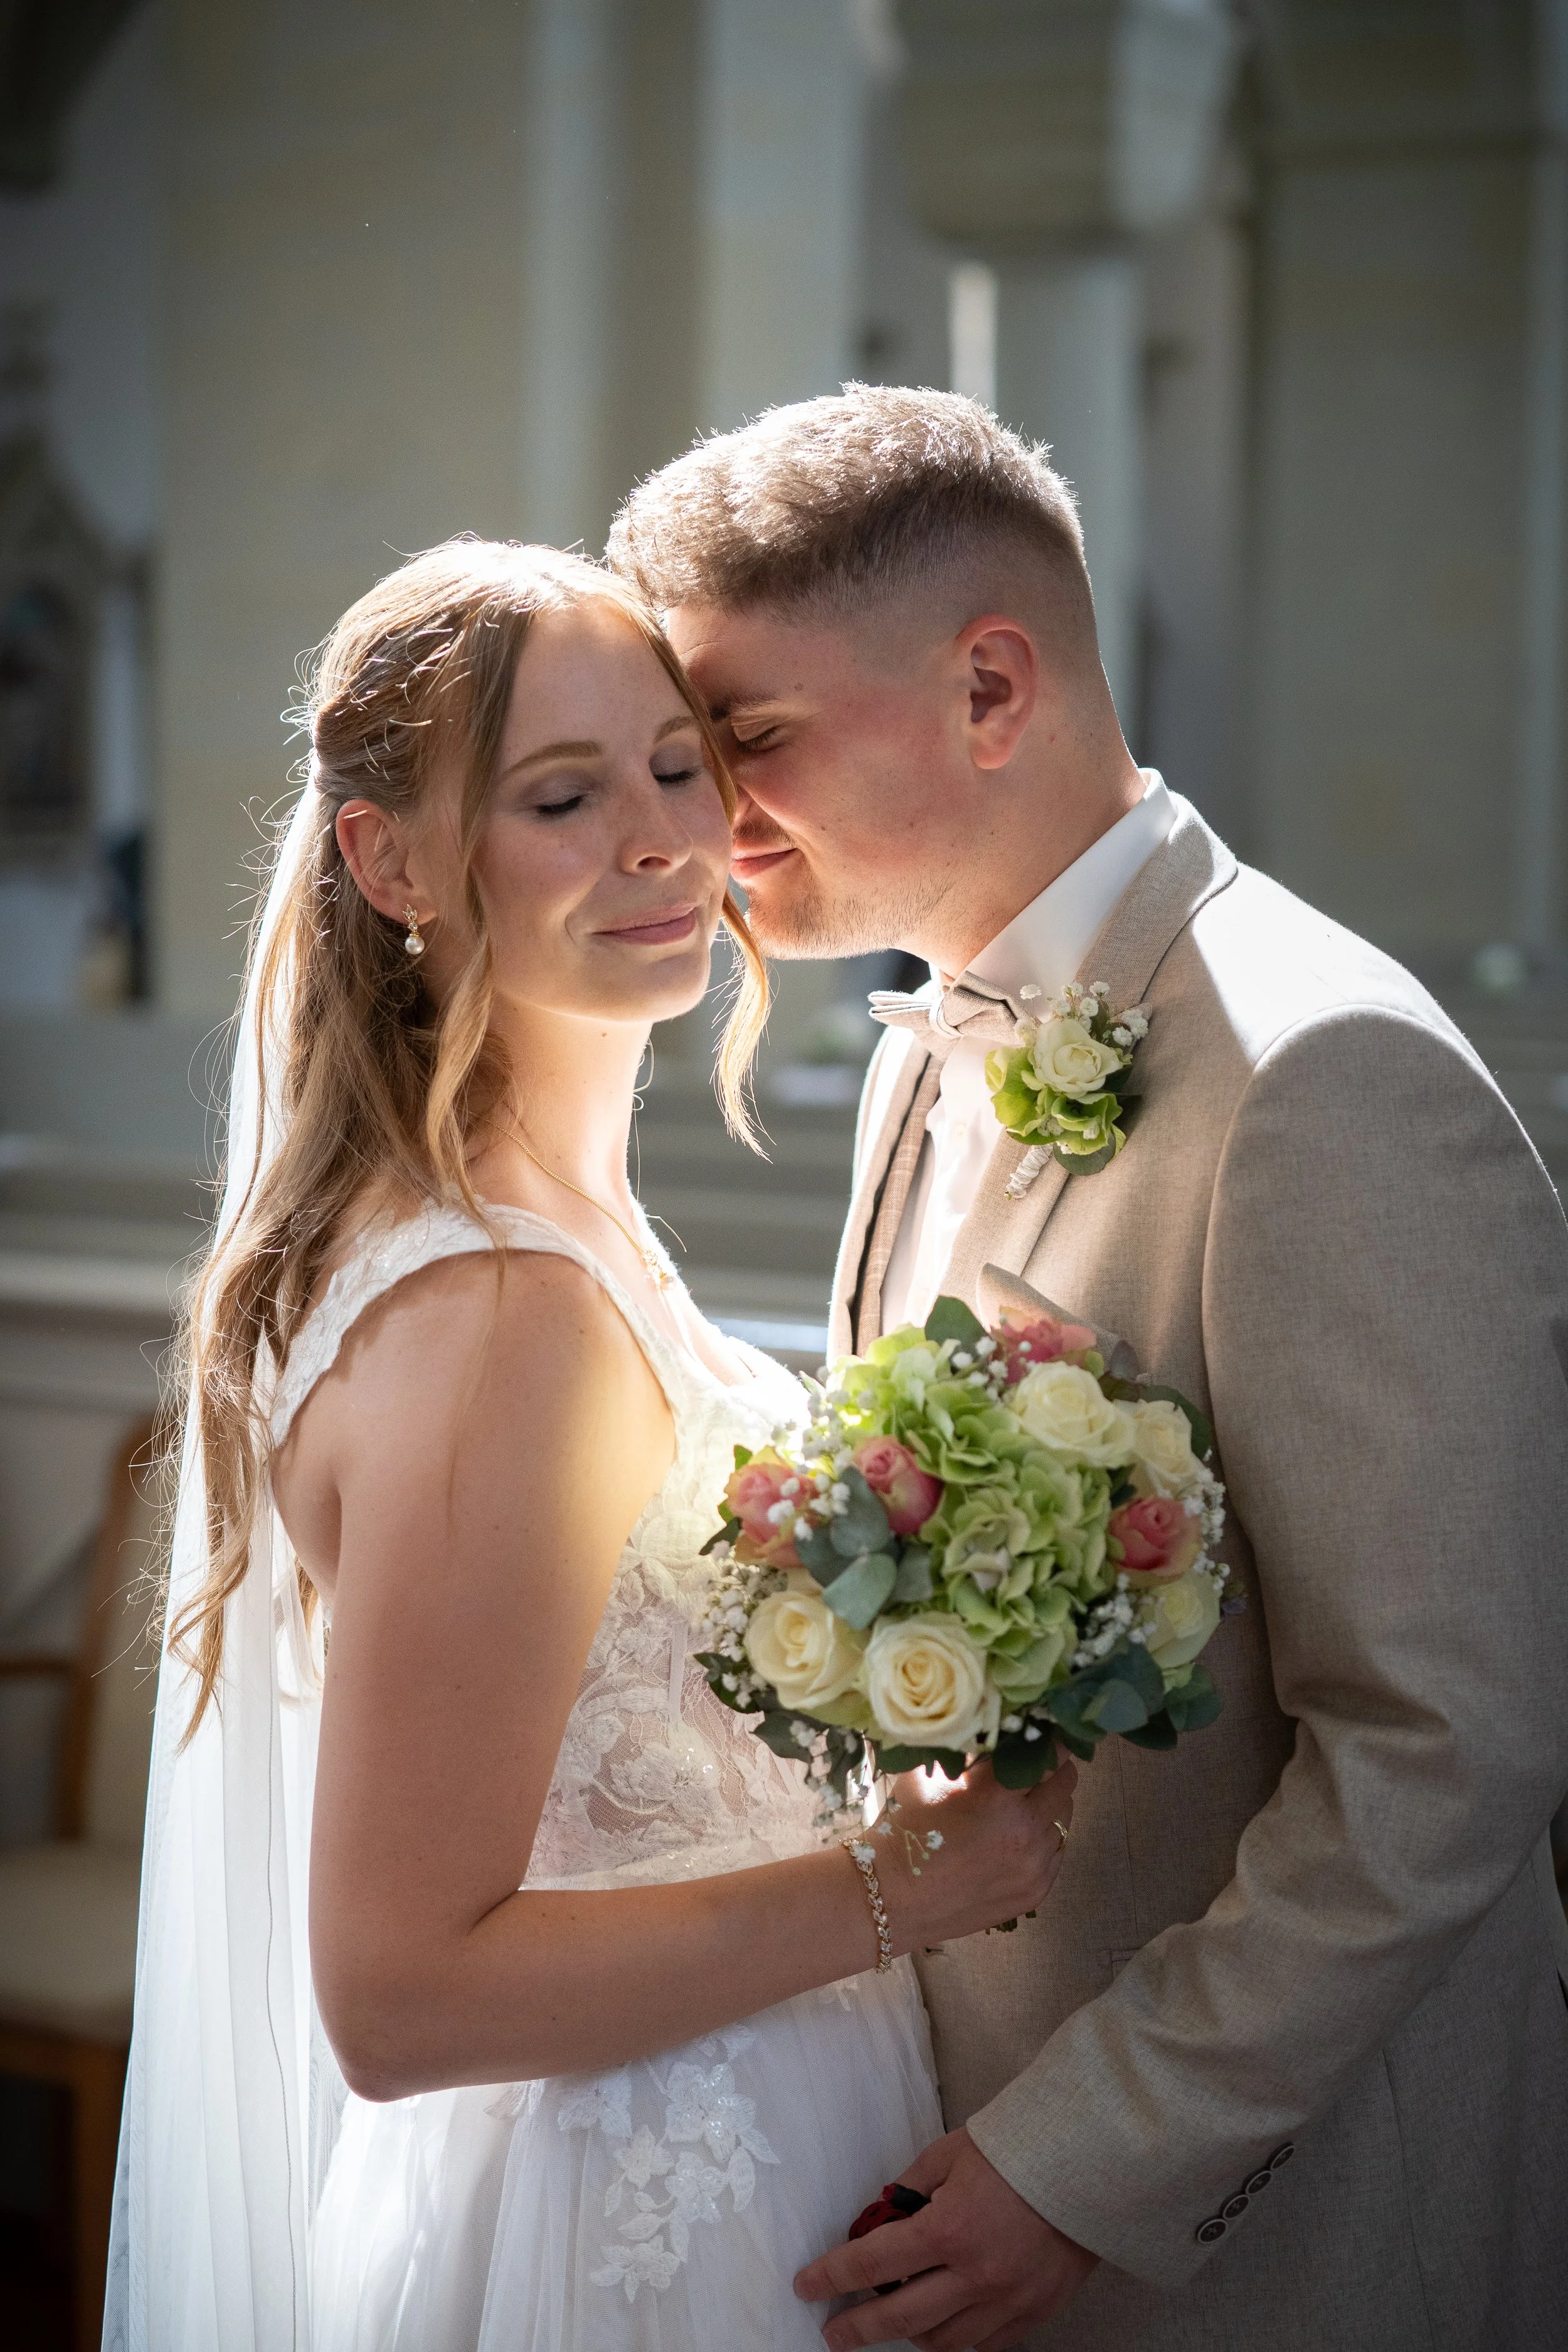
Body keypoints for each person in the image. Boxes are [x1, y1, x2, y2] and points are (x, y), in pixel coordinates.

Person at [608, 387, 1568, 2352]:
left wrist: (1086, 2155)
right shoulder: (911, 1041)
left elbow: (1441, 1751)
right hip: (935, 2125)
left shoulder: (1325, 1078)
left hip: (1262, 2229)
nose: (702, 814)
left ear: (987, 686)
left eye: (748, 735)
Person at [103, 538, 1079, 2352]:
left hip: (722, 2137)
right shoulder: (500, 1319)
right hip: (633, 2220)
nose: (658, 840)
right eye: (561, 793)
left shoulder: (543, 1232)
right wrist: (908, 1881)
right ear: (390, 861)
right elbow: (399, 1995)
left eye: (674, 764)